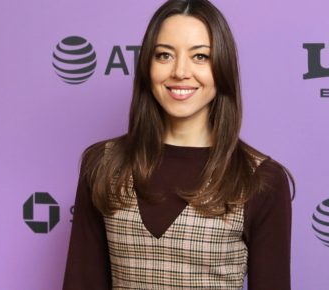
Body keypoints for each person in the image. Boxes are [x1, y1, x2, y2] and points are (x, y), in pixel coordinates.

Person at [63, 0, 295, 289]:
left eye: (200, 56)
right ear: (148, 66)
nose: (180, 72)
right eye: (164, 55)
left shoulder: (260, 178)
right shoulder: (103, 164)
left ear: (222, 67)